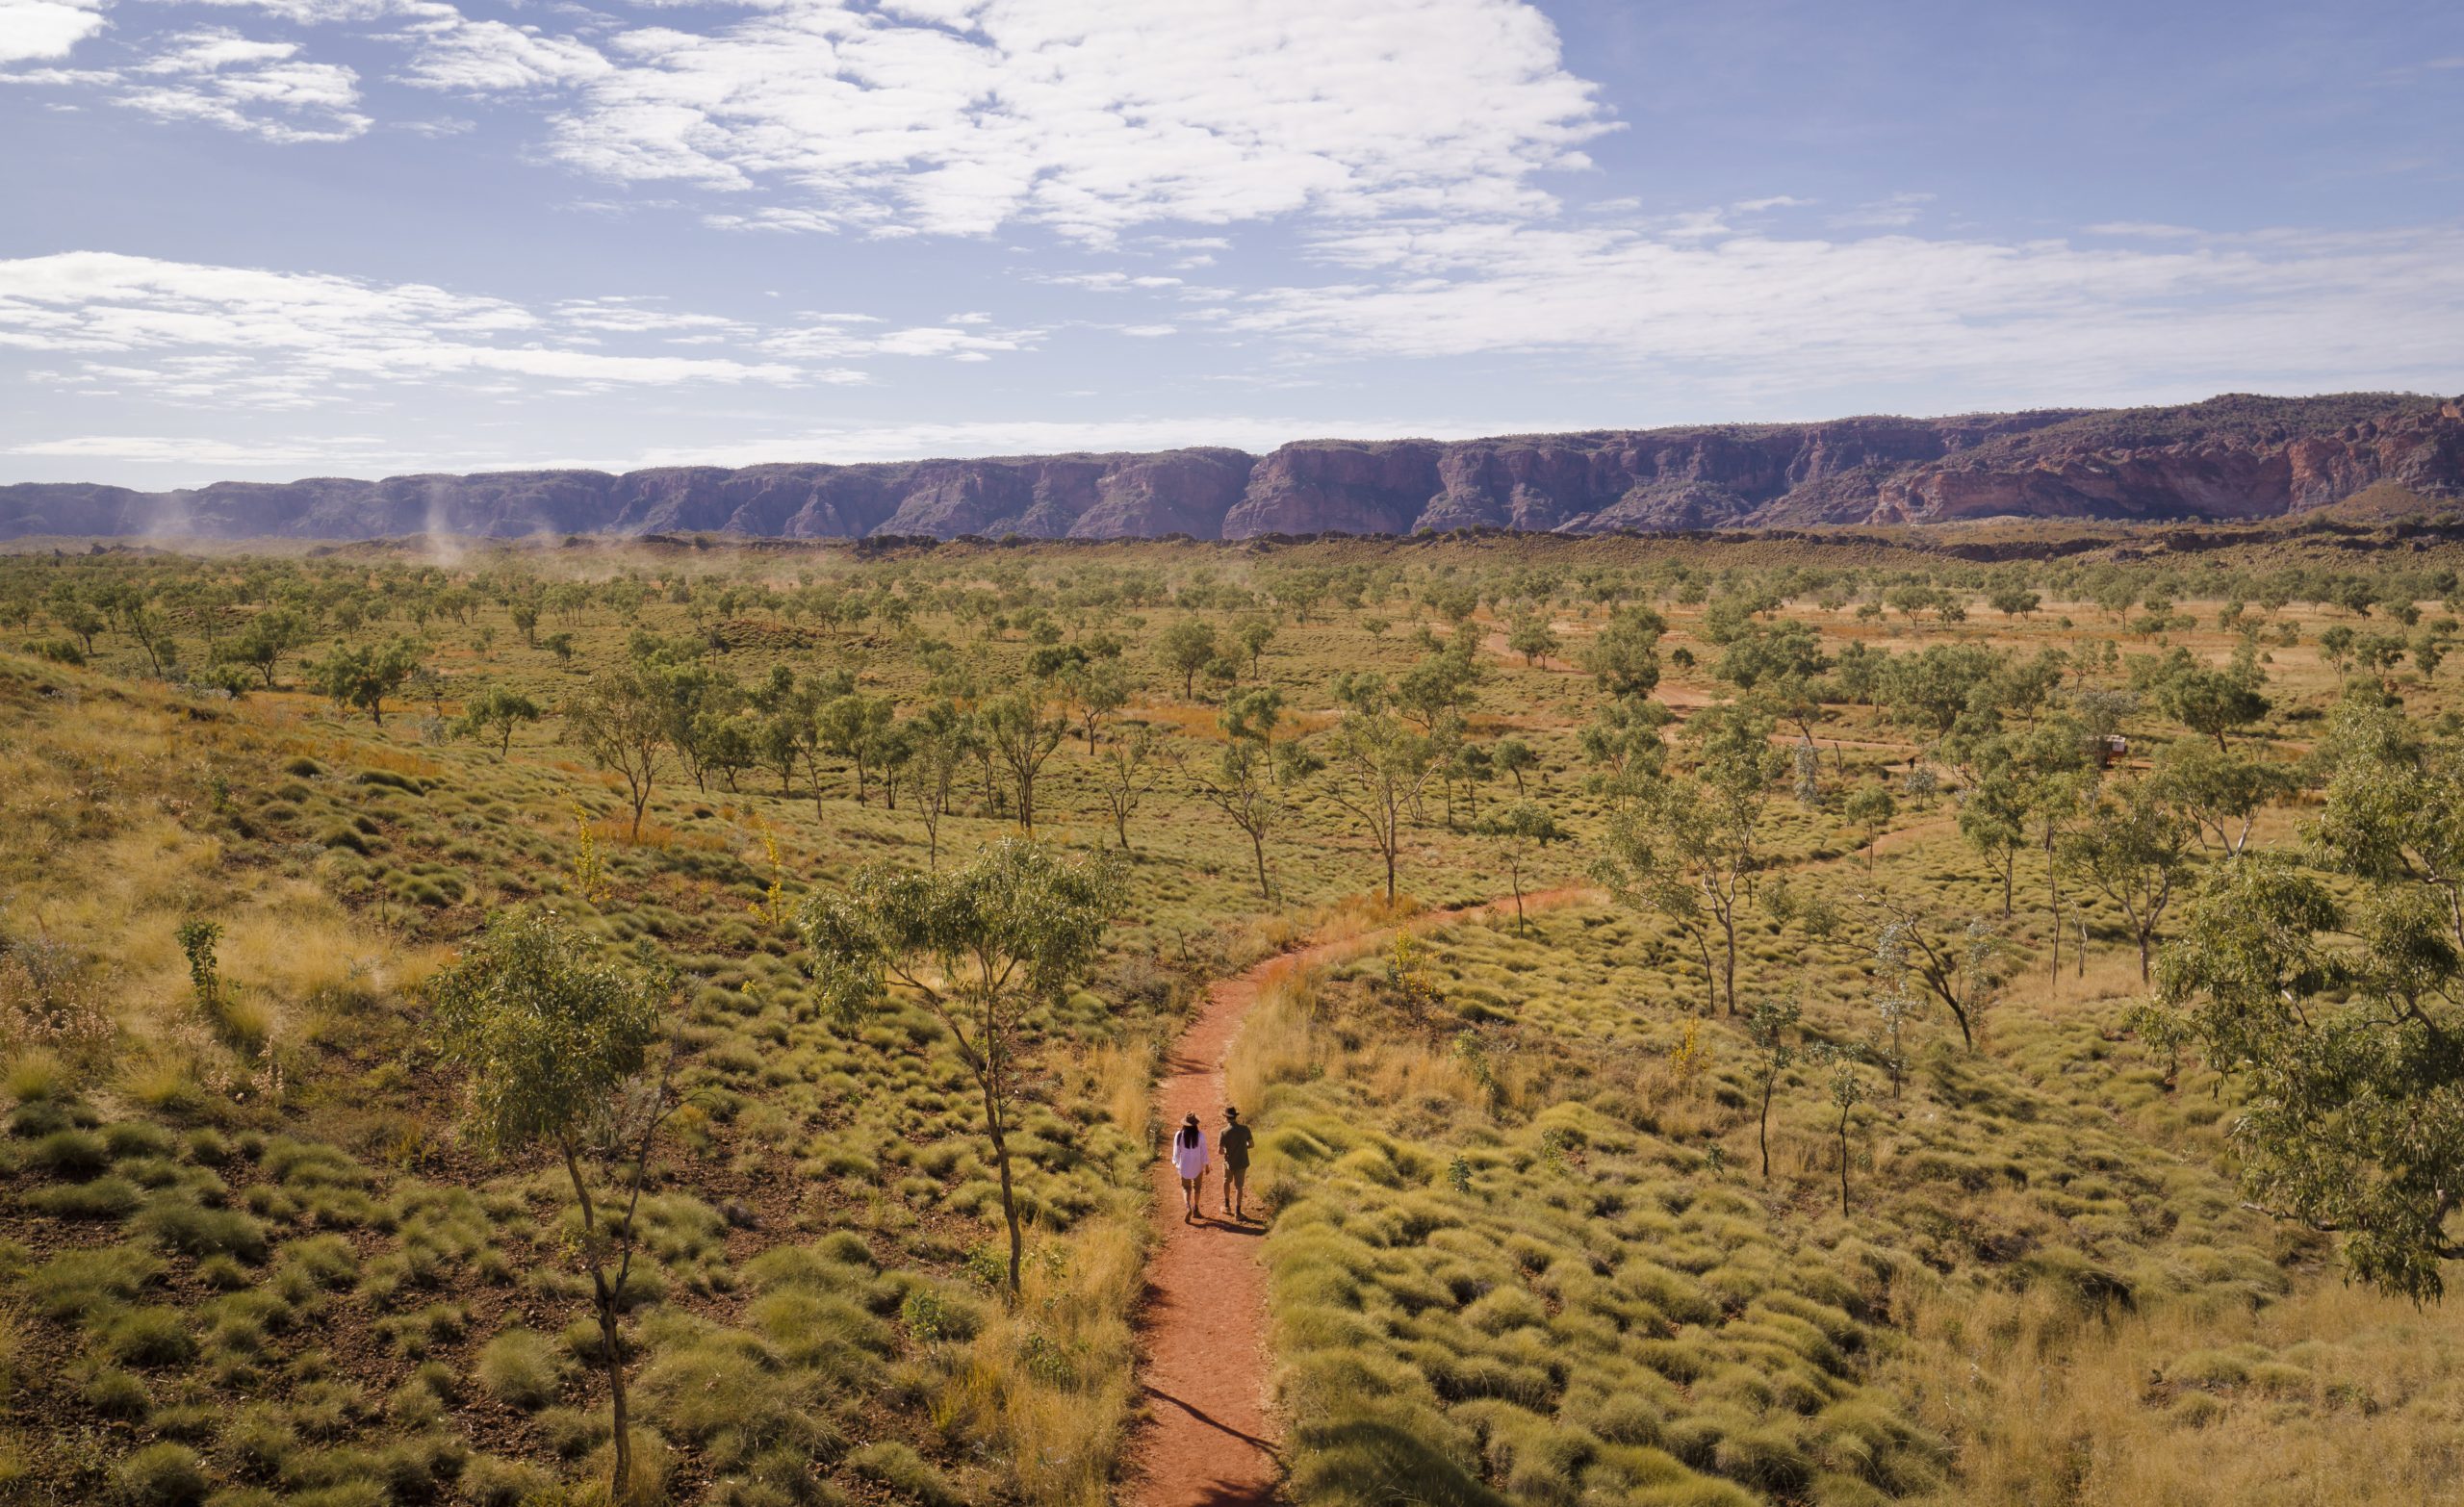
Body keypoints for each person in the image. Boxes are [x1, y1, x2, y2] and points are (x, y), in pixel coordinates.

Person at [1170, 1111, 1208, 1223]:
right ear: (1196, 1124)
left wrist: (1176, 1162)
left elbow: (1176, 1152)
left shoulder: (1179, 1135)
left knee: (1186, 1188)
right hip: (1197, 1166)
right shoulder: (1200, 1136)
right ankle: (1196, 1208)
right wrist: (1206, 1165)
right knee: (1197, 1188)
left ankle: (1187, 1207)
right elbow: (1204, 1152)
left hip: (1184, 1166)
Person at [1219, 1106, 1255, 1222]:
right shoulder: (1245, 1129)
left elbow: (1220, 1151)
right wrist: (1243, 1147)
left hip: (1229, 1163)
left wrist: (1227, 1150)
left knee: (1226, 1181)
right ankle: (1238, 1213)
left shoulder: (1223, 1132)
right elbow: (1252, 1145)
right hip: (1242, 1162)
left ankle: (1227, 1206)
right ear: (1235, 1116)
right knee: (1239, 1187)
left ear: (1226, 1118)